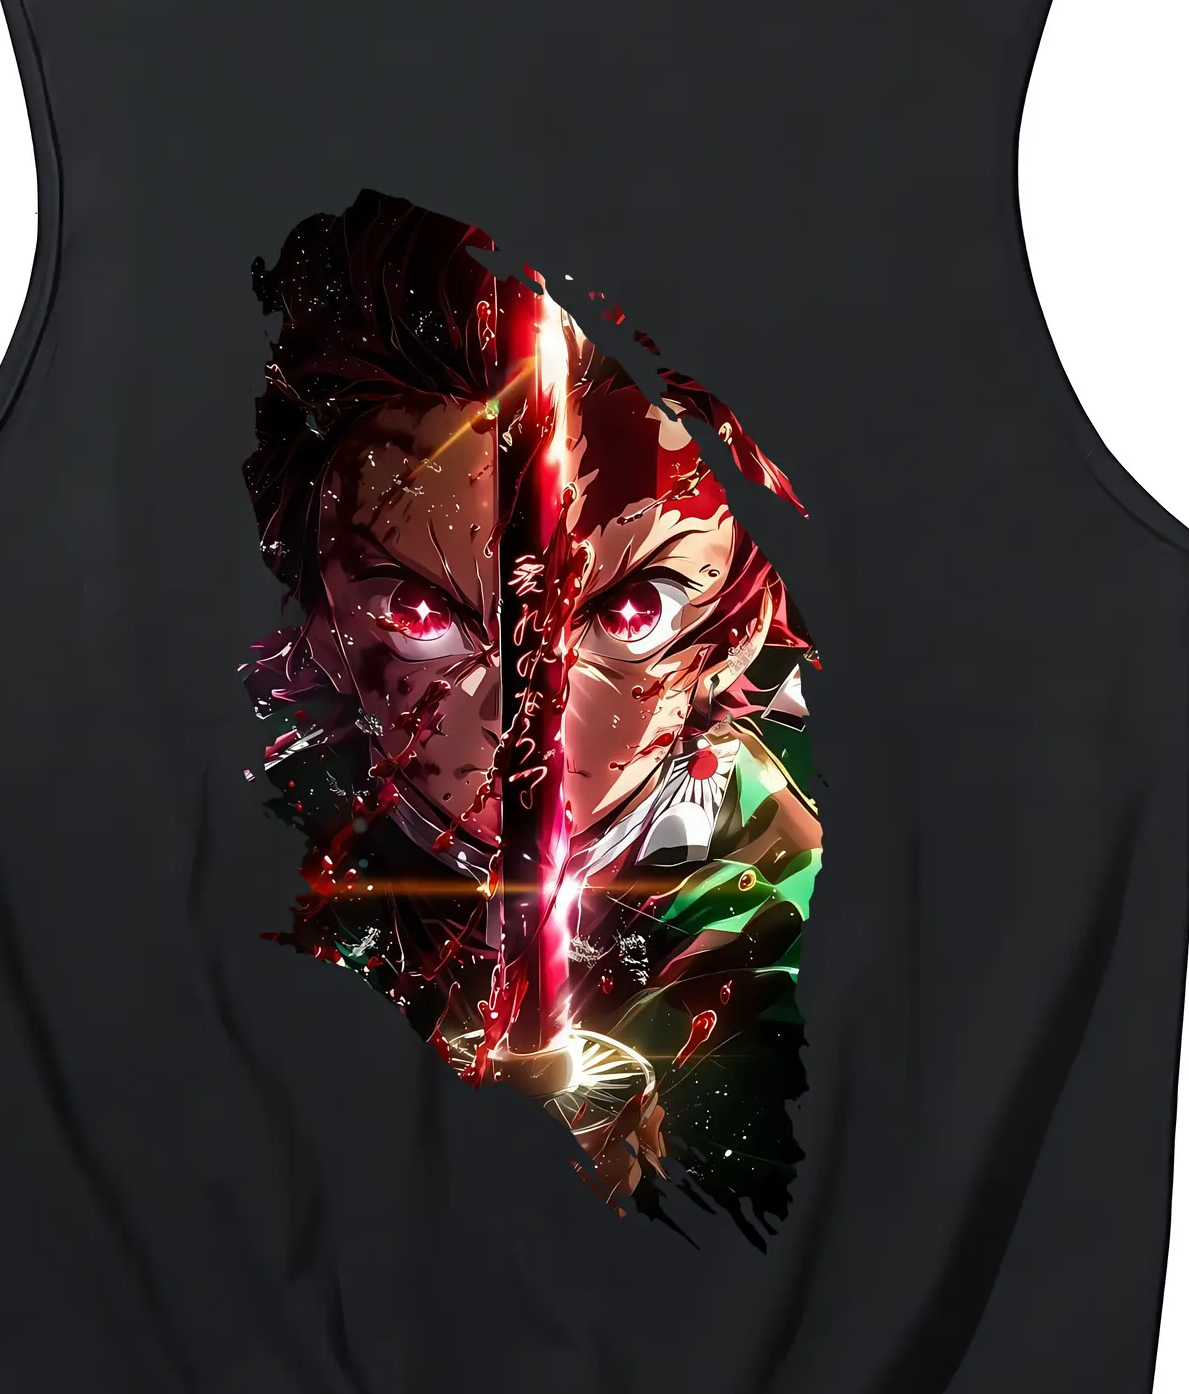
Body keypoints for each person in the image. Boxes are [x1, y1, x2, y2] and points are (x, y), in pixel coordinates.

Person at [245, 191, 822, 1245]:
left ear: (737, 627)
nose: (531, 706)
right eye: (421, 614)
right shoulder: (269, 842)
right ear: (321, 623)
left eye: (631, 613)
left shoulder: (773, 896)